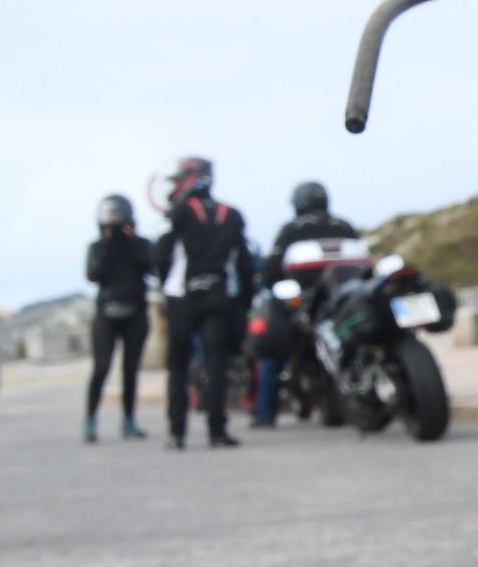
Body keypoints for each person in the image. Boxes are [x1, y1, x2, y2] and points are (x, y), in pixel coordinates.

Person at [153, 157, 254, 450]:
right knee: (216, 364)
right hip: (219, 295)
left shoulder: (178, 212)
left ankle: (176, 433)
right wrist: (243, 302)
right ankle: (217, 431)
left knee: (178, 366)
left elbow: (161, 254)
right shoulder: (231, 214)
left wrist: (163, 286)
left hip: (182, 297)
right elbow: (245, 264)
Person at [253, 181, 359, 428]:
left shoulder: (292, 230)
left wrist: (270, 283)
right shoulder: (343, 226)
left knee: (272, 350)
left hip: (305, 303)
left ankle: (264, 413)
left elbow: (271, 271)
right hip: (343, 300)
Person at [85, 194, 155, 443]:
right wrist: (106, 245)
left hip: (136, 313)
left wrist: (132, 240)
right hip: (106, 314)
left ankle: (128, 420)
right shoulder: (96, 247)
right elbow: (92, 275)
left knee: (130, 369)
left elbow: (151, 267)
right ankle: (90, 421)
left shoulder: (141, 244)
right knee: (101, 367)